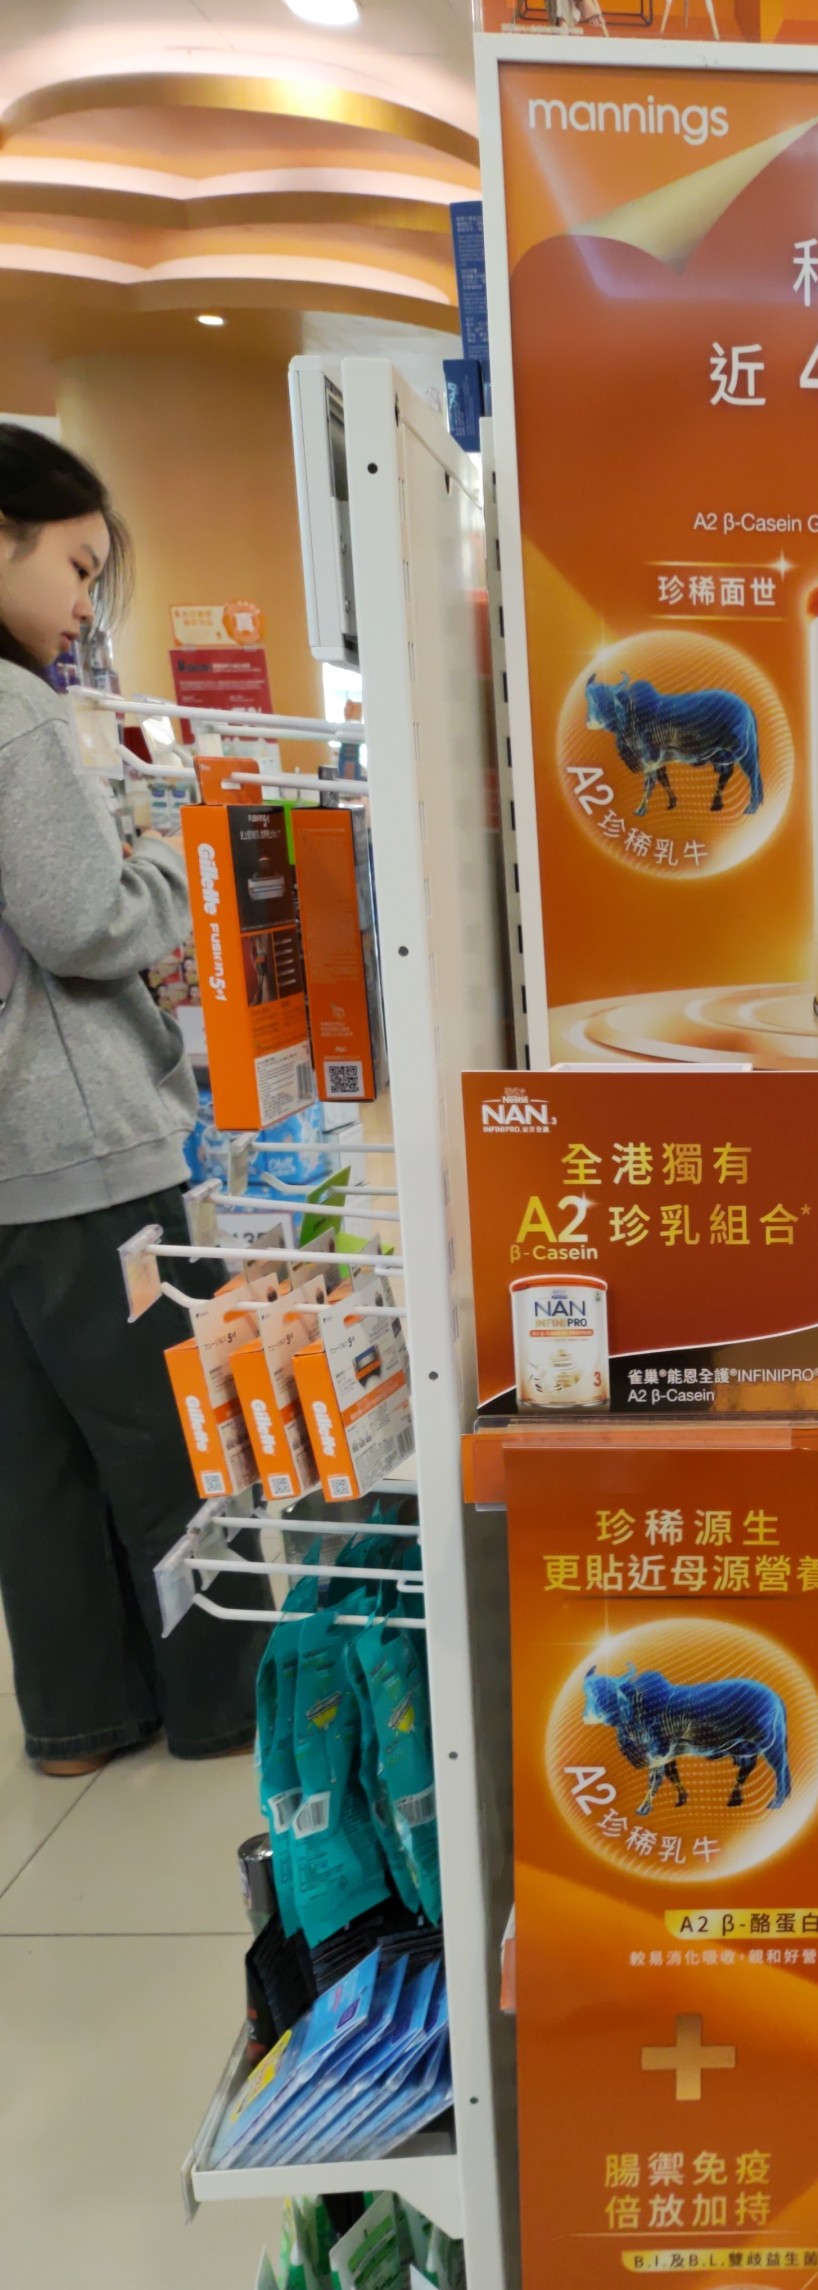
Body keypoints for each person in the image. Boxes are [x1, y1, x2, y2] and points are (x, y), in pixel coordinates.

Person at [0, 426, 259, 1773]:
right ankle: (221, 1702)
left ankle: (79, 1720)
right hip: (82, 1144)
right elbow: (85, 923)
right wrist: (166, 864)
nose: (85, 604)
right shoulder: (18, 713)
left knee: (31, 1464)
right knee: (170, 1439)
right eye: (78, 566)